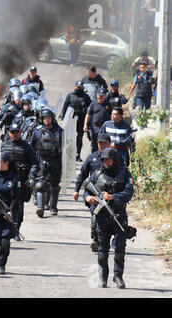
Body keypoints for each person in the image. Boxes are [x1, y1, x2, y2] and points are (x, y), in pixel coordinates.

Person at [83, 148, 134, 289]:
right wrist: (88, 198)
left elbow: (129, 192)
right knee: (102, 249)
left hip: (118, 216)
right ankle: (103, 278)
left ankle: (118, 276)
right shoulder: (96, 174)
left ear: (115, 160)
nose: (106, 162)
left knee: (119, 248)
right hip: (102, 217)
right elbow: (86, 190)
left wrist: (113, 197)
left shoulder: (125, 173)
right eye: (104, 160)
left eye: (109, 160)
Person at [0, 123, 38, 236]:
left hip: (20, 181)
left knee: (18, 205)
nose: (15, 134)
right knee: (2, 204)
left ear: (20, 133)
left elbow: (34, 163)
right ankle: (1, 229)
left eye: (17, 132)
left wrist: (31, 177)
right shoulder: (3, 145)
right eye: (13, 132)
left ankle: (16, 229)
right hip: (4, 181)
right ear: (9, 133)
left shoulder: (27, 147)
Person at [73, 133, 112, 252]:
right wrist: (76, 190)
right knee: (96, 214)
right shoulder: (92, 158)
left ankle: (105, 240)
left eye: (105, 143)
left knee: (110, 217)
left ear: (110, 144)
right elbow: (83, 175)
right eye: (100, 143)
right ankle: (96, 239)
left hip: (110, 194)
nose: (103, 145)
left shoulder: (115, 157)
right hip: (94, 194)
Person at [31, 107, 63, 217]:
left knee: (55, 185)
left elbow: (67, 147)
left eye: (49, 118)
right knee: (40, 184)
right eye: (45, 118)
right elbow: (31, 147)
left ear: (52, 119)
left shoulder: (60, 131)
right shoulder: (37, 131)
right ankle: (40, 207)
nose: (47, 120)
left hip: (55, 160)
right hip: (41, 160)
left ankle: (53, 207)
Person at [61, 80, 92, 161]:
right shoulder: (70, 96)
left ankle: (78, 155)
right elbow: (64, 107)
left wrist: (88, 121)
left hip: (81, 121)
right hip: (70, 121)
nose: (79, 88)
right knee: (69, 138)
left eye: (81, 87)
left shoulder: (86, 97)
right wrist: (63, 119)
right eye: (78, 87)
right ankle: (69, 155)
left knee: (79, 138)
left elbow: (90, 108)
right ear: (75, 87)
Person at [84, 88, 111, 153]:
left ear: (105, 96)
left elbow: (111, 115)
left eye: (102, 95)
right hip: (95, 127)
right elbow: (88, 115)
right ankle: (94, 155)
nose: (100, 97)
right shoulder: (93, 104)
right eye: (99, 95)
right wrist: (85, 125)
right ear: (97, 95)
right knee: (94, 143)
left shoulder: (108, 104)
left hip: (104, 127)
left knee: (104, 143)